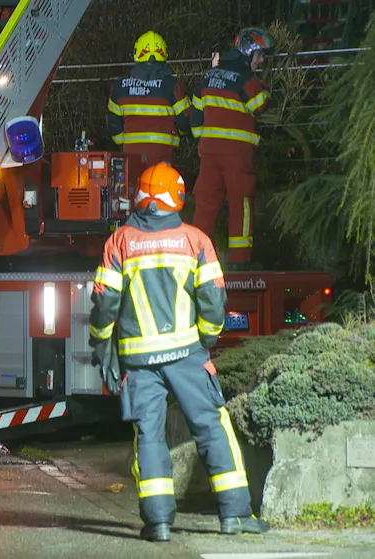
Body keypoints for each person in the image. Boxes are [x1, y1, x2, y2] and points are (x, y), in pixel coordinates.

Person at [88, 162, 269, 542]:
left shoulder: (119, 242)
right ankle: (234, 515)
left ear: (139, 196)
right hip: (187, 354)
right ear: (179, 197)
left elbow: (105, 305)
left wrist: (102, 344)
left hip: (138, 362)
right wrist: (204, 340)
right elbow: (214, 304)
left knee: (149, 437)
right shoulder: (196, 240)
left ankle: (158, 523)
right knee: (212, 427)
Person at [190, 27, 275, 270]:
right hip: (237, 155)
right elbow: (261, 105)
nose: (261, 61)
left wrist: (202, 142)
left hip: (208, 154)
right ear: (248, 53)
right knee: (241, 203)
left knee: (205, 204)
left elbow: (194, 114)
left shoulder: (209, 76)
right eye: (260, 55)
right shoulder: (246, 79)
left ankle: (195, 259)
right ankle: (240, 261)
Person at [107, 31, 191, 166]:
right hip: (163, 156)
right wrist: (176, 136)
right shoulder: (171, 85)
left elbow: (113, 124)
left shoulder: (120, 87)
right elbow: (185, 121)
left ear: (137, 52)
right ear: (163, 53)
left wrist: (125, 143)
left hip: (131, 157)